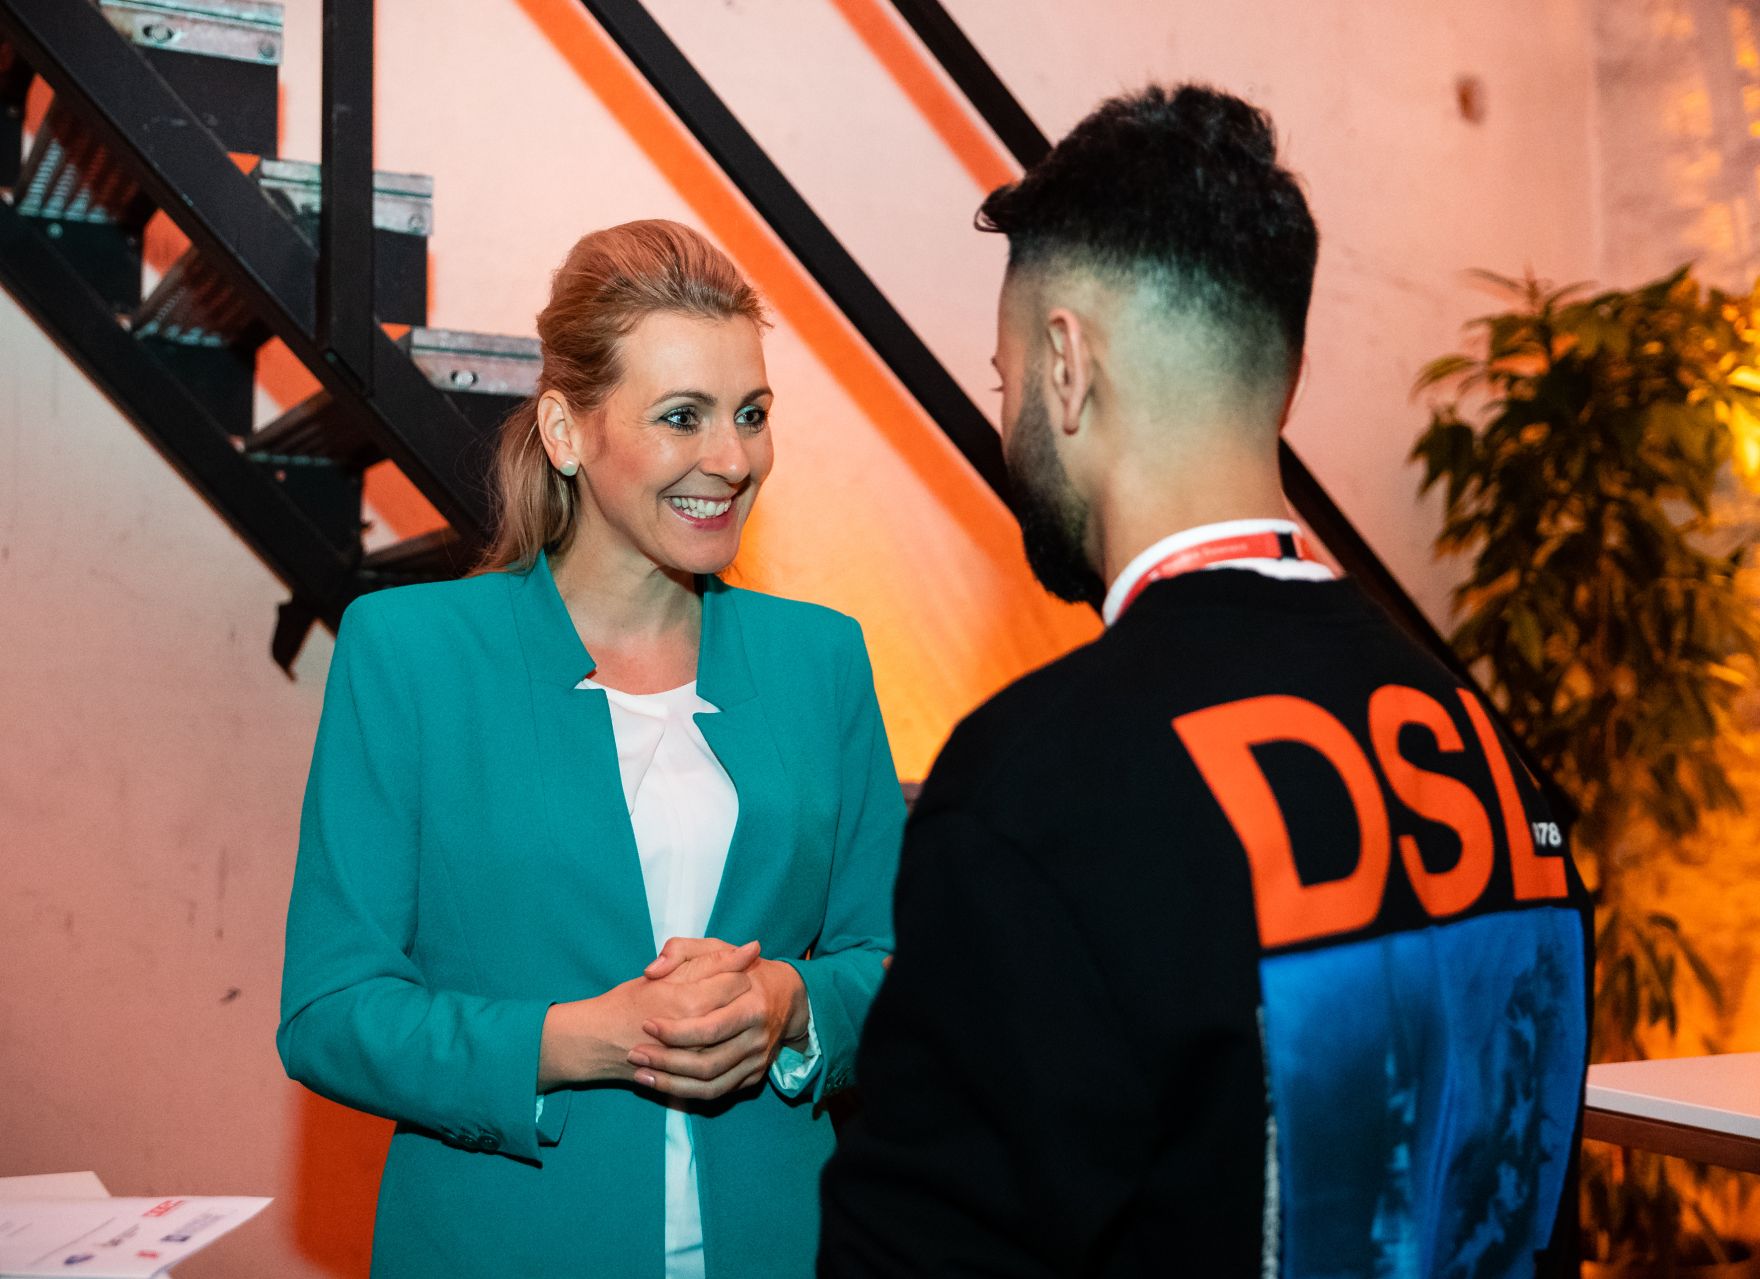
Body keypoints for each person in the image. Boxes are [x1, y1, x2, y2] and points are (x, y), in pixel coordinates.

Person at [817, 85, 1591, 1277]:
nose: (1011, 413)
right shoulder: (1491, 755)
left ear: (1066, 367)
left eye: (1005, 377)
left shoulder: (1035, 790)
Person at [278, 219, 905, 1279]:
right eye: (682, 417)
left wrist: (788, 1005)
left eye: (750, 415)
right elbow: (331, 1012)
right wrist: (581, 1039)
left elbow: (899, 965)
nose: (732, 459)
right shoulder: (410, 655)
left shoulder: (824, 659)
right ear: (566, 433)